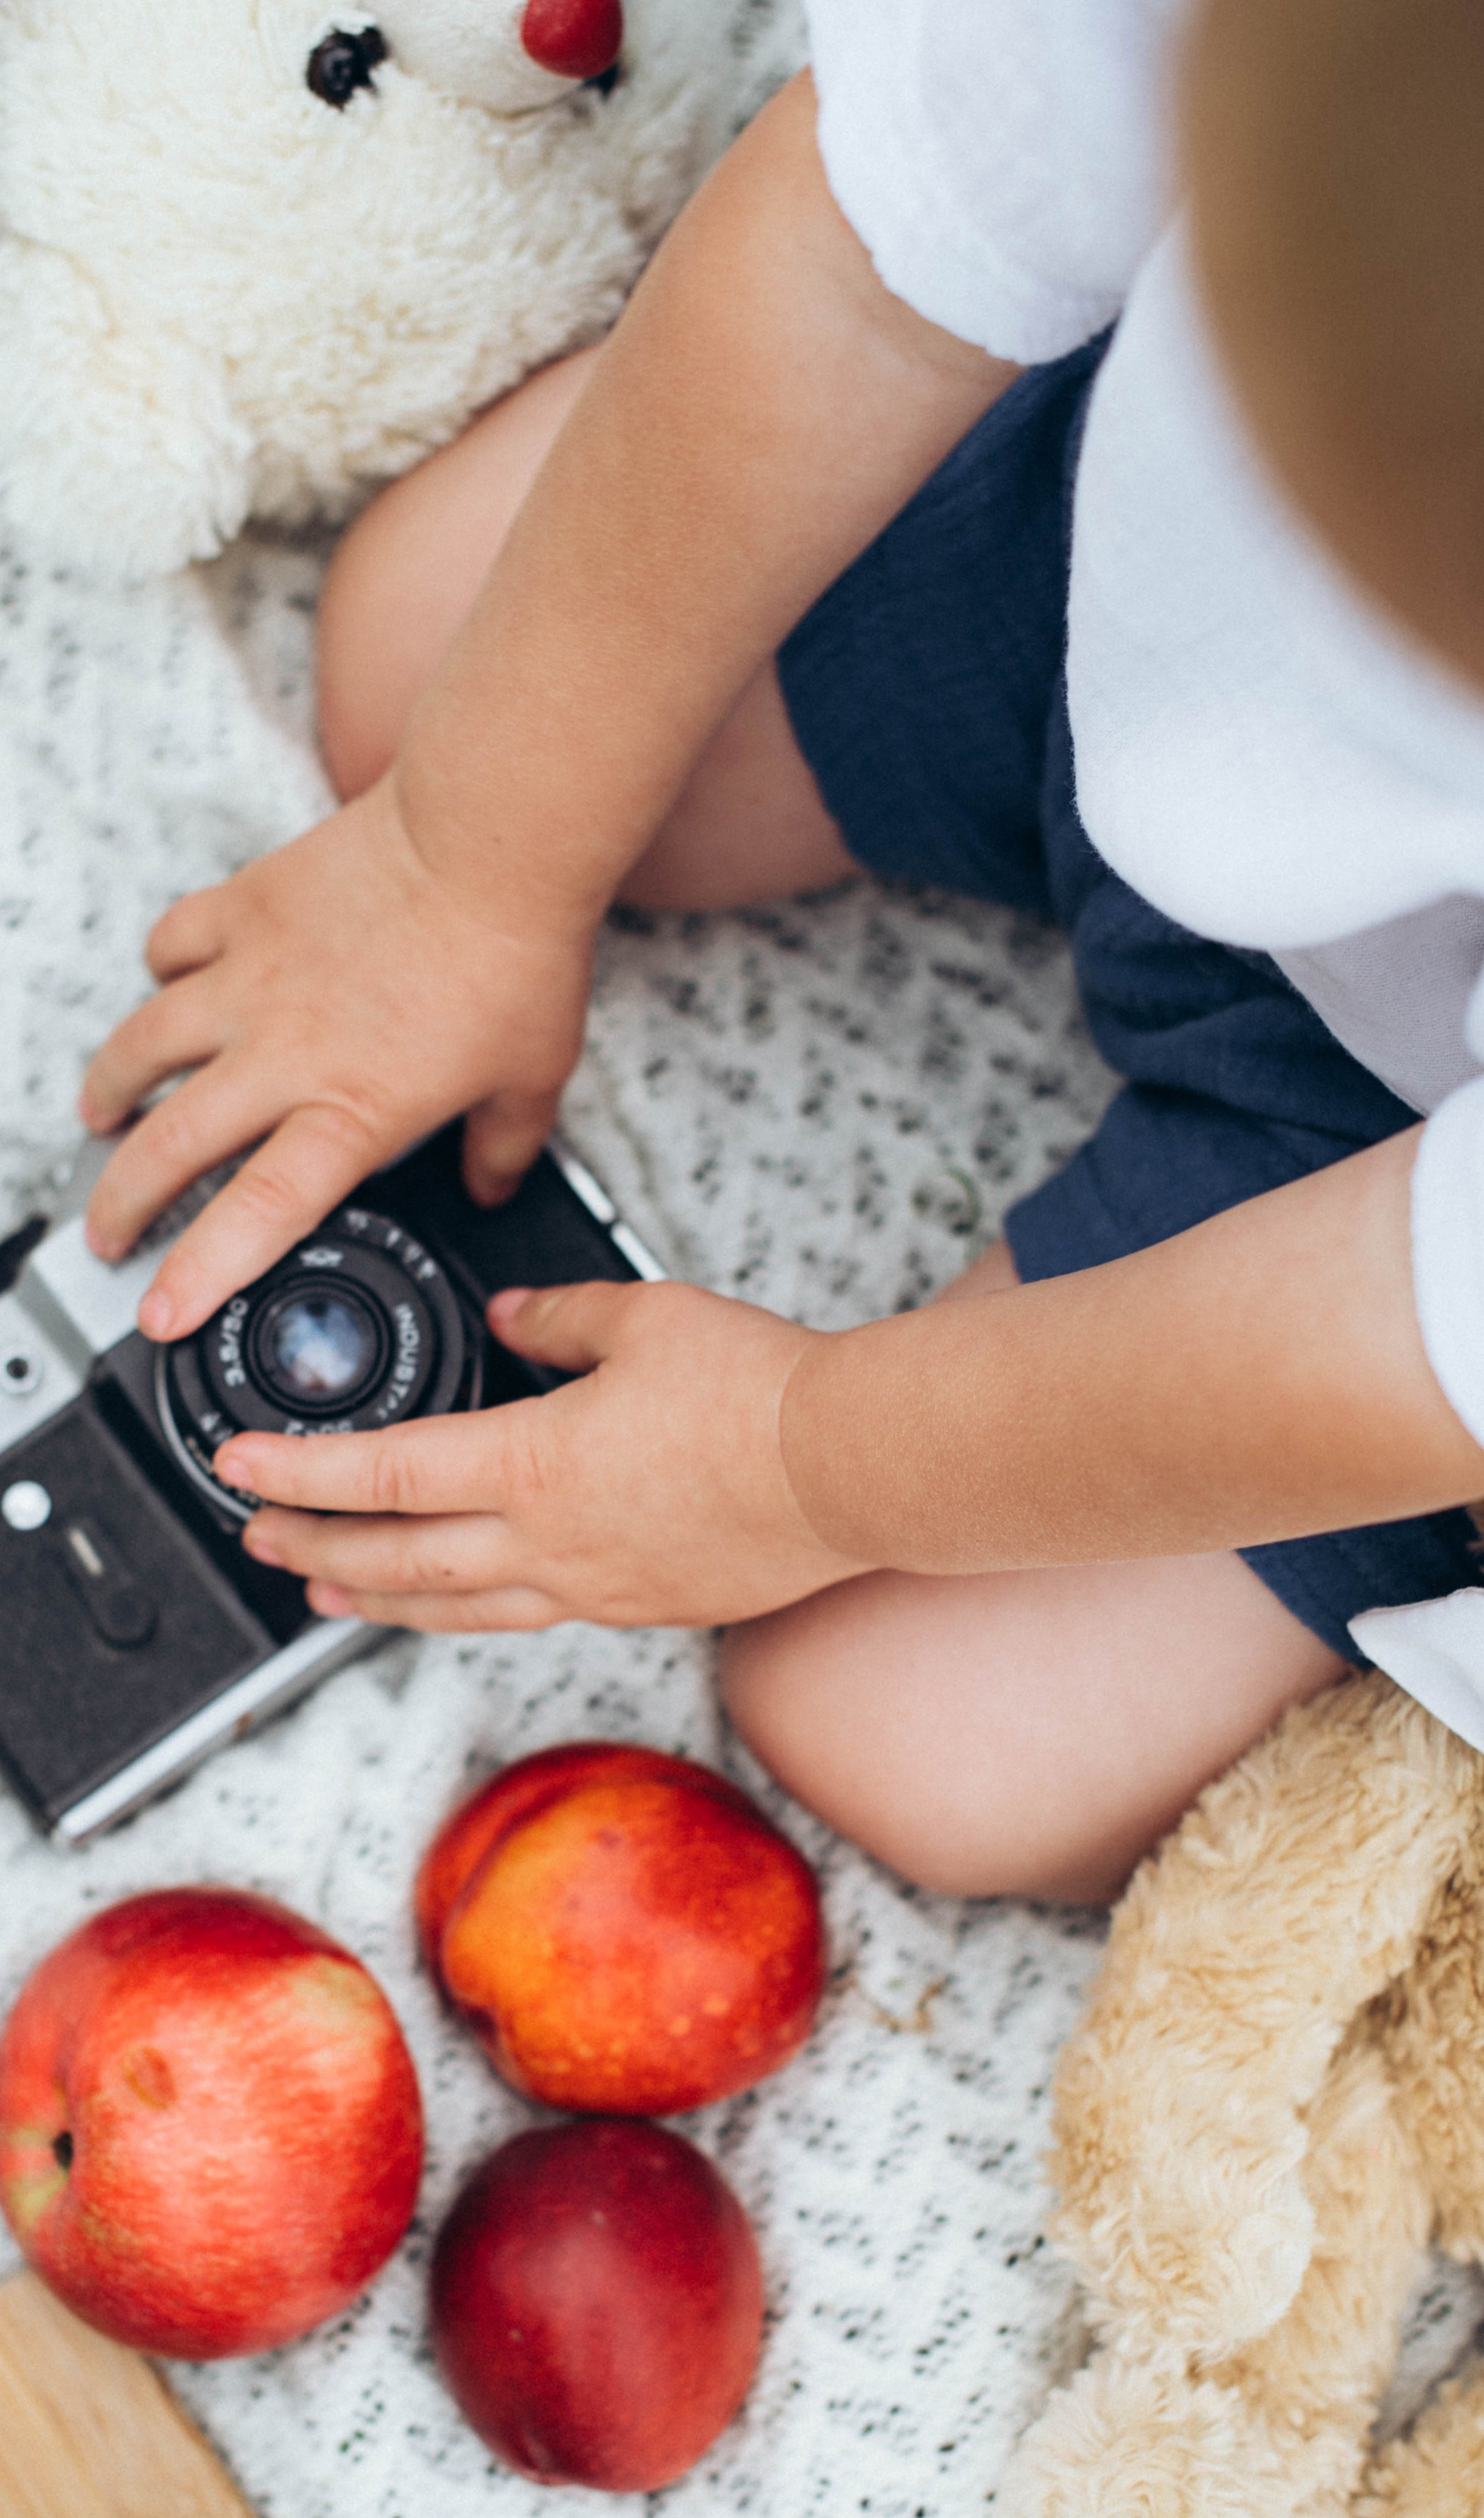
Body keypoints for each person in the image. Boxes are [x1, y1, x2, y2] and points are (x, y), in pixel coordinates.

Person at [75, 0, 1484, 1906]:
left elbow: (1410, 1332)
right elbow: (859, 249)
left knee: (918, 1730)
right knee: (419, 679)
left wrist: (802, 1465)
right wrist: (461, 862)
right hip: (1107, 527)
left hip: (1390, 1137)